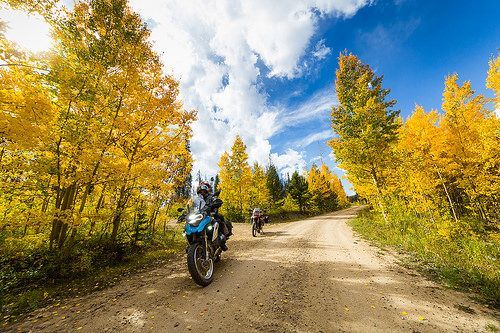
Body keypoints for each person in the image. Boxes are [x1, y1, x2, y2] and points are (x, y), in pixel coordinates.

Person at [196, 182, 232, 249]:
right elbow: (192, 207)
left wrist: (214, 209)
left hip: (210, 215)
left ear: (207, 190)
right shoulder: (197, 200)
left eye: (203, 191)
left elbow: (216, 202)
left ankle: (221, 241)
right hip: (200, 217)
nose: (202, 193)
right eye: (201, 192)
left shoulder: (211, 197)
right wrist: (185, 213)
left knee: (217, 222)